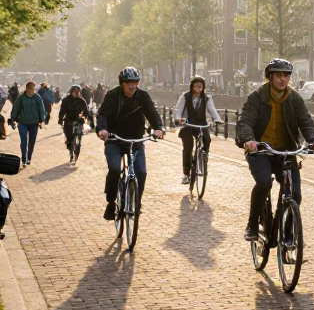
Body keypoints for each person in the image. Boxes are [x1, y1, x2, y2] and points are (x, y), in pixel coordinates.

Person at [236, 59, 314, 242]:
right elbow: (246, 121)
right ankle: (252, 223)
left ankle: (288, 234)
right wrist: (249, 140)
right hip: (261, 151)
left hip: (285, 151)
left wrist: (313, 139)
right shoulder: (257, 97)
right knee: (264, 182)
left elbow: (305, 120)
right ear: (270, 77)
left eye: (286, 75)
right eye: (279, 75)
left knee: (295, 194)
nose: (283, 79)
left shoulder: (294, 98)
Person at [97, 67, 165, 220]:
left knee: (141, 172)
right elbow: (103, 115)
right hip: (114, 139)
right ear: (122, 83)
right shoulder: (112, 96)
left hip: (135, 140)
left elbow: (152, 113)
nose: (132, 86)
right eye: (128, 83)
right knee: (115, 169)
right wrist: (102, 129)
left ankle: (137, 203)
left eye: (135, 82)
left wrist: (158, 128)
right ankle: (111, 201)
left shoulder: (143, 96)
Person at [173, 76, 221, 184]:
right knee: (188, 147)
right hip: (188, 124)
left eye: (200, 87)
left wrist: (217, 119)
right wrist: (178, 118)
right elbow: (179, 108)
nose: (197, 89)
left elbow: (212, 109)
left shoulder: (207, 98)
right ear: (192, 87)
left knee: (207, 140)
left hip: (201, 124)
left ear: (203, 87)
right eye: (195, 86)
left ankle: (203, 158)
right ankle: (186, 174)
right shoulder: (185, 96)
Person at [11, 81, 47, 167]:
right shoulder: (21, 98)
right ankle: (24, 159)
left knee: (31, 141)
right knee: (23, 141)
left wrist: (41, 120)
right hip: (23, 122)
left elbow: (41, 110)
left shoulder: (37, 98)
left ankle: (29, 158)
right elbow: (16, 108)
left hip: (34, 123)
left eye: (32, 89)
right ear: (26, 89)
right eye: (29, 89)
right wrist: (14, 118)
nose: (31, 91)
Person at [57, 84, 91, 159]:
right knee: (68, 137)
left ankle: (77, 147)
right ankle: (70, 148)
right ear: (71, 91)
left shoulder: (82, 100)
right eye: (75, 91)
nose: (76, 93)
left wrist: (87, 117)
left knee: (79, 133)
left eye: (78, 91)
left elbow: (86, 111)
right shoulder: (66, 100)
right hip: (68, 119)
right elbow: (62, 111)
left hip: (78, 119)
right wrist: (60, 119)